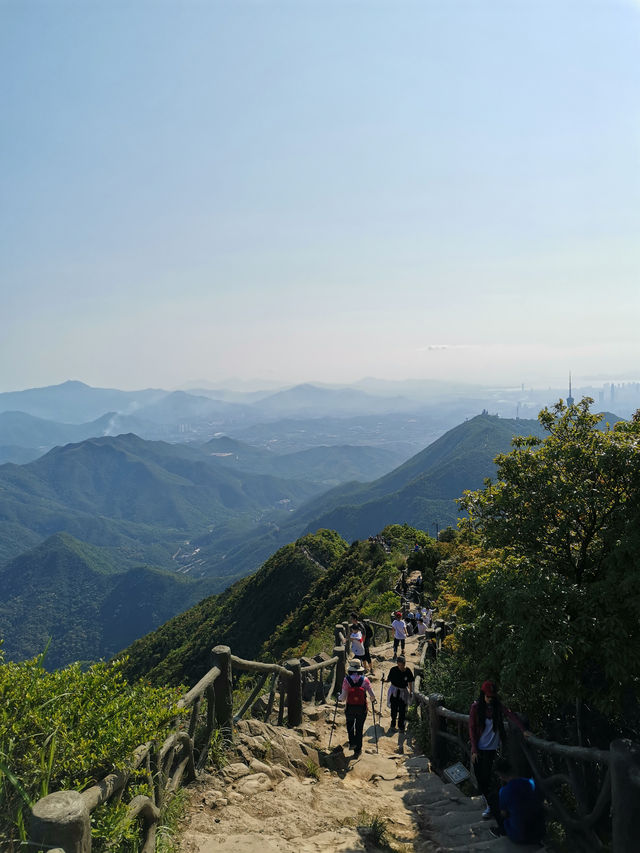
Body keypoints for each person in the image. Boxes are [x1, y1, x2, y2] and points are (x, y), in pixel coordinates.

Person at [469, 680, 531, 819]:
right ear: (482, 694)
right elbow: (472, 728)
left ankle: (492, 807)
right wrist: (474, 749)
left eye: (492, 697)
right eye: (488, 696)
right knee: (481, 779)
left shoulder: (497, 707)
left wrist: (523, 730)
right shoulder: (476, 707)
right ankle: (490, 804)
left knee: (487, 777)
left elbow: (511, 715)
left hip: (491, 748)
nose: (490, 699)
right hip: (478, 748)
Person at [489, 757, 545, 843]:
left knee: (493, 798)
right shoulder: (532, 782)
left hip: (520, 837)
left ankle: (502, 830)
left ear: (500, 775)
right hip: (539, 834)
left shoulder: (504, 791)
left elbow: (503, 814)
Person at [338, 658, 377, 756]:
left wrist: (338, 697)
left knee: (350, 725)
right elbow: (372, 695)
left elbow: (342, 698)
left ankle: (352, 743)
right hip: (362, 707)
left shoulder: (346, 680)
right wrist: (373, 700)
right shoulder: (365, 680)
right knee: (359, 728)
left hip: (350, 707)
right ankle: (358, 750)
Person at [386, 654, 414, 732]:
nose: (400, 667)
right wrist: (384, 680)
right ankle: (393, 724)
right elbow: (389, 679)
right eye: (398, 665)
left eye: (401, 665)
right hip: (394, 691)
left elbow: (410, 682)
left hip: (403, 692)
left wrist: (411, 691)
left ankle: (401, 726)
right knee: (393, 709)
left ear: (404, 664)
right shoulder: (393, 670)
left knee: (402, 709)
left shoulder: (408, 671)